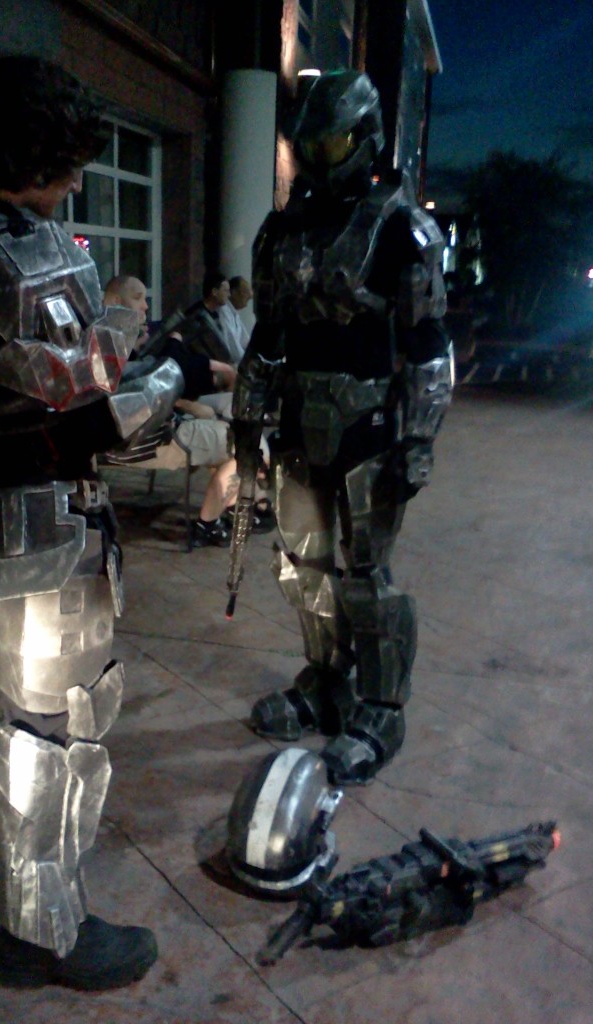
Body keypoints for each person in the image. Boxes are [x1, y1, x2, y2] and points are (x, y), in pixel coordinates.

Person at [0, 55, 184, 991]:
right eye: (71, 160)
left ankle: (9, 855)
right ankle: (42, 929)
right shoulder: (13, 248)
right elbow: (90, 395)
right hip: (47, 510)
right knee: (60, 725)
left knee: (26, 706)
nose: (77, 181)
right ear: (36, 151)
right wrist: (147, 337)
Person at [230, 69, 453, 787]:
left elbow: (427, 345)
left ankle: (381, 708)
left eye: (332, 144)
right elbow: (268, 335)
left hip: (369, 426)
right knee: (305, 570)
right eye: (310, 146)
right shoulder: (283, 230)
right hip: (300, 421)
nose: (320, 159)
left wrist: (417, 441)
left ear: (365, 137)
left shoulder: (401, 229)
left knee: (364, 577)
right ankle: (326, 681)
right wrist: (247, 419)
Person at [101, 275, 271, 546]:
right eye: (137, 298)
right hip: (156, 439)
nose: (146, 306)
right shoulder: (107, 347)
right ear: (113, 301)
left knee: (235, 428)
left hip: (159, 430)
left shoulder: (113, 342)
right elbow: (145, 395)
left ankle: (237, 505)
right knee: (248, 444)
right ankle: (210, 524)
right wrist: (187, 403)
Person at [179, 270, 234, 364]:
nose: (229, 295)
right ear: (214, 292)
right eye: (225, 291)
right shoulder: (196, 314)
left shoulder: (215, 314)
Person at [217, 275, 254, 365]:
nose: (250, 296)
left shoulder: (234, 313)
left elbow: (246, 341)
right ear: (233, 293)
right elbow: (233, 347)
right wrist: (248, 361)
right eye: (245, 293)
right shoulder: (223, 310)